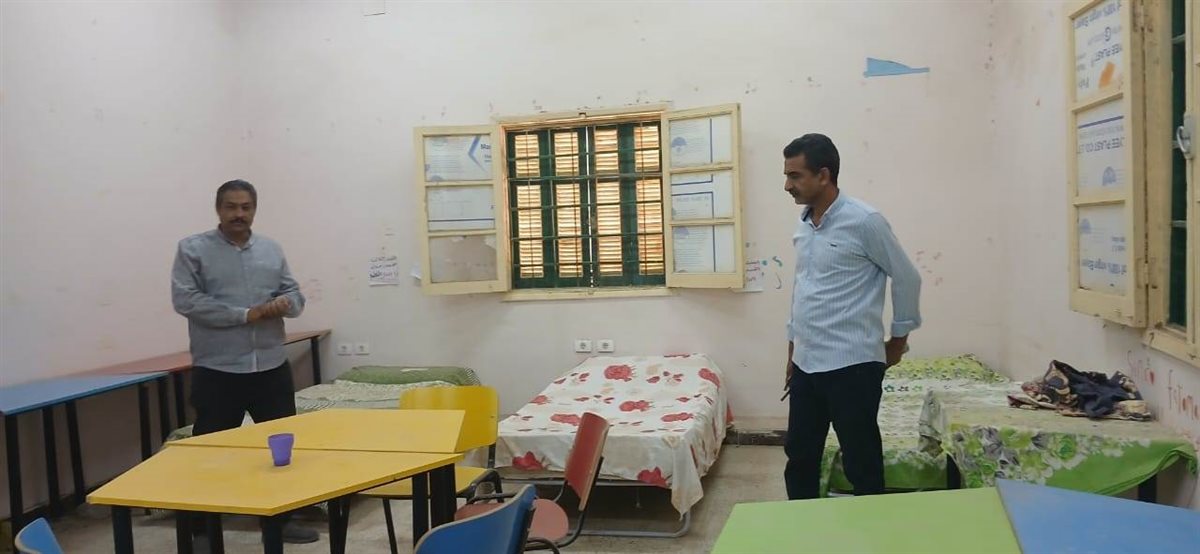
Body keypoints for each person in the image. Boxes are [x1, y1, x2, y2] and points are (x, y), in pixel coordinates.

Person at [171, 179, 317, 544]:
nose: (239, 214)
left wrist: (288, 303)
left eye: (246, 207)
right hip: (218, 369)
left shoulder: (271, 249)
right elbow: (186, 300)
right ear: (218, 209)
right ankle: (202, 528)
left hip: (270, 365)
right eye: (231, 207)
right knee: (211, 450)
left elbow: (292, 290)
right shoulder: (193, 249)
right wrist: (244, 315)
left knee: (280, 450)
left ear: (254, 209)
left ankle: (280, 521)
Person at [781, 134, 922, 499]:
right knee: (799, 457)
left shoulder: (865, 221)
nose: (787, 185)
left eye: (795, 176)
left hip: (853, 366)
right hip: (807, 364)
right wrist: (793, 349)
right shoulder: (804, 224)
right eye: (787, 176)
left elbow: (907, 277)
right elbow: (803, 288)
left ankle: (870, 528)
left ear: (823, 175)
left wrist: (897, 341)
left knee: (861, 461)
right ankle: (799, 524)